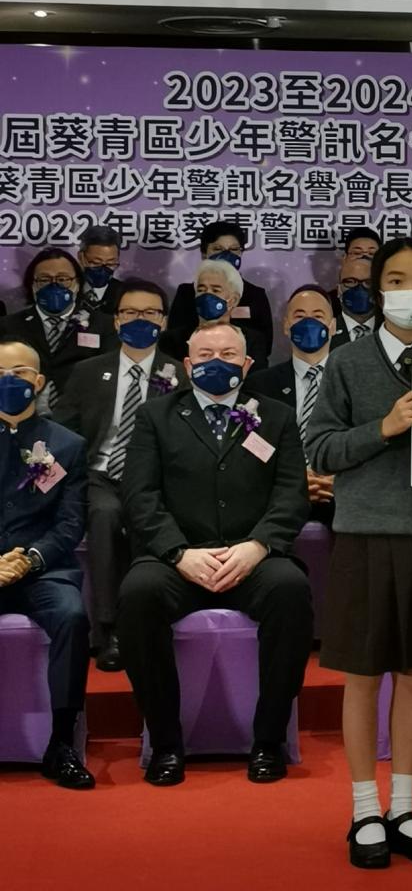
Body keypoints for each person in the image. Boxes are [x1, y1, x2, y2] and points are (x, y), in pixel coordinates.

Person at [305, 237, 412, 870]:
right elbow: (321, 449)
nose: (411, 290)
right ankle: (363, 810)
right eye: (397, 279)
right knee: (362, 676)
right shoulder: (347, 362)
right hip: (366, 533)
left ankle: (403, 807)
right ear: (378, 291)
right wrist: (385, 426)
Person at [117, 322, 312, 787]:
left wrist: (257, 546)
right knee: (137, 594)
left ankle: (268, 741)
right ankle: (166, 743)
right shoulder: (155, 416)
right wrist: (177, 552)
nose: (216, 362)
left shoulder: (278, 416)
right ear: (187, 365)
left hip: (252, 556)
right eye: (205, 355)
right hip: (177, 559)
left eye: (228, 354)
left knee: (291, 589)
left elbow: (291, 494)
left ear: (247, 364)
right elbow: (140, 495)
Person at [54, 278, 187, 671]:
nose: (139, 320)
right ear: (116, 320)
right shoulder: (88, 371)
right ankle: (109, 629)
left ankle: (150, 627)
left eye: (149, 313)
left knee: (152, 518)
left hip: (156, 478)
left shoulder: (180, 374)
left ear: (163, 321)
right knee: (105, 514)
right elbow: (64, 433)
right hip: (101, 475)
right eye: (130, 312)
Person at [0, 339, 93, 788]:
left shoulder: (67, 445)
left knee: (72, 616)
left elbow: (70, 523)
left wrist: (29, 560)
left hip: (42, 569)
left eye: (19, 373)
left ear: (38, 382)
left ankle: (61, 743)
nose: (9, 381)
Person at [244, 284, 336, 525]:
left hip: (342, 496)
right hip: (277, 497)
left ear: (333, 326)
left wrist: (337, 478)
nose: (309, 323)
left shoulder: (354, 381)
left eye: (318, 316)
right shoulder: (259, 384)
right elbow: (252, 443)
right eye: (299, 316)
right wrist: (295, 478)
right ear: (286, 326)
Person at [0, 247, 117, 410]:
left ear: (77, 283)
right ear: (32, 285)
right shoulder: (7, 326)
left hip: (83, 414)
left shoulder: (104, 325)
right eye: (44, 279)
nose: (54, 285)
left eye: (63, 279)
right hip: (24, 413)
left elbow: (109, 378)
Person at [166, 221, 274, 357]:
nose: (227, 255)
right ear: (204, 253)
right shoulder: (187, 293)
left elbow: (265, 344)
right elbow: (174, 340)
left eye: (234, 249)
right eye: (218, 249)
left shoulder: (255, 294)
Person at [160, 258, 268, 372]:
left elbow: (257, 379)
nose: (206, 295)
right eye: (201, 290)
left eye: (215, 290)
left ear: (233, 300)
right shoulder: (171, 340)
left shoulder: (251, 341)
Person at [330, 255, 379, 346]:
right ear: (338, 289)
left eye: (368, 282)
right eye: (350, 281)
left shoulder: (394, 330)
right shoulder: (326, 331)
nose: (360, 289)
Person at [77, 224, 125, 317]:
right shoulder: (68, 289)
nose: (103, 270)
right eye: (96, 263)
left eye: (110, 263)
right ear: (81, 257)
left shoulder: (125, 293)